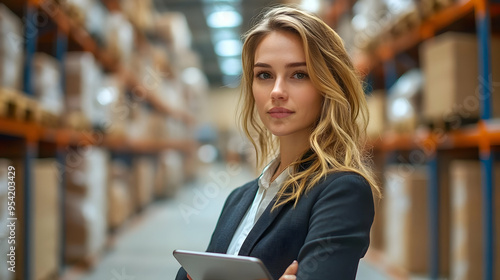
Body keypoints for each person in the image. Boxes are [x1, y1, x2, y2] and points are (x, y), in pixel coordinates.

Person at [176, 5, 381, 280]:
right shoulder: (238, 199)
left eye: (299, 74)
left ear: (328, 84)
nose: (277, 91)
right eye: (264, 75)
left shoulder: (342, 192)